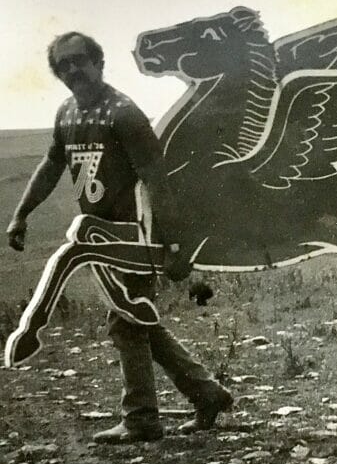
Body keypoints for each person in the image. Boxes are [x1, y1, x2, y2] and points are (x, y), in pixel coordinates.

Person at [6, 32, 233, 442]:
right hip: (100, 239)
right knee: (137, 318)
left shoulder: (125, 114)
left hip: (136, 236)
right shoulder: (67, 114)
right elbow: (51, 164)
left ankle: (142, 418)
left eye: (80, 60)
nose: (73, 70)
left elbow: (157, 181)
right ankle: (207, 394)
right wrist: (21, 214)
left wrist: (173, 243)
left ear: (99, 62)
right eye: (64, 65)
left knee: (127, 323)